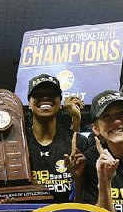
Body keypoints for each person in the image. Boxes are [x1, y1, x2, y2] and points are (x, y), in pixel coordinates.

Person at [25, 74, 89, 203]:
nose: (45, 97)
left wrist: (77, 178)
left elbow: (87, 196)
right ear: (29, 104)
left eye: (52, 94)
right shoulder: (19, 142)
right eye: (38, 94)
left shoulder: (78, 142)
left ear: (60, 103)